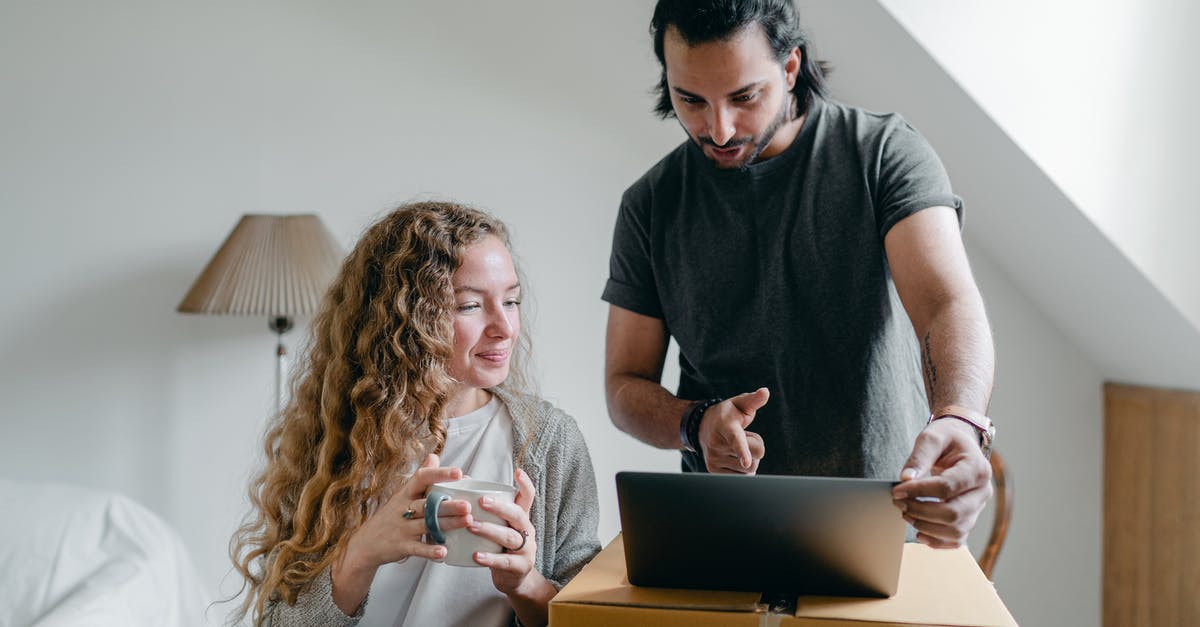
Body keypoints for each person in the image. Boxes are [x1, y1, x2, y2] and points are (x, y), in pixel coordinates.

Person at [602, 0, 996, 549]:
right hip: (724, 531)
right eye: (691, 100)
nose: (718, 129)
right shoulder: (650, 205)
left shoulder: (882, 154)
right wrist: (696, 425)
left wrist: (961, 421)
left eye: (744, 97)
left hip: (880, 524)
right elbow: (624, 386)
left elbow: (946, 303)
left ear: (790, 68)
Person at [230, 201, 601, 627]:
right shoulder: (338, 436)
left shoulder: (550, 442)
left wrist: (525, 583)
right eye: (470, 306)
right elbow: (280, 621)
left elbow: (589, 616)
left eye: (512, 301)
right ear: (404, 321)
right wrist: (361, 556)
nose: (505, 327)